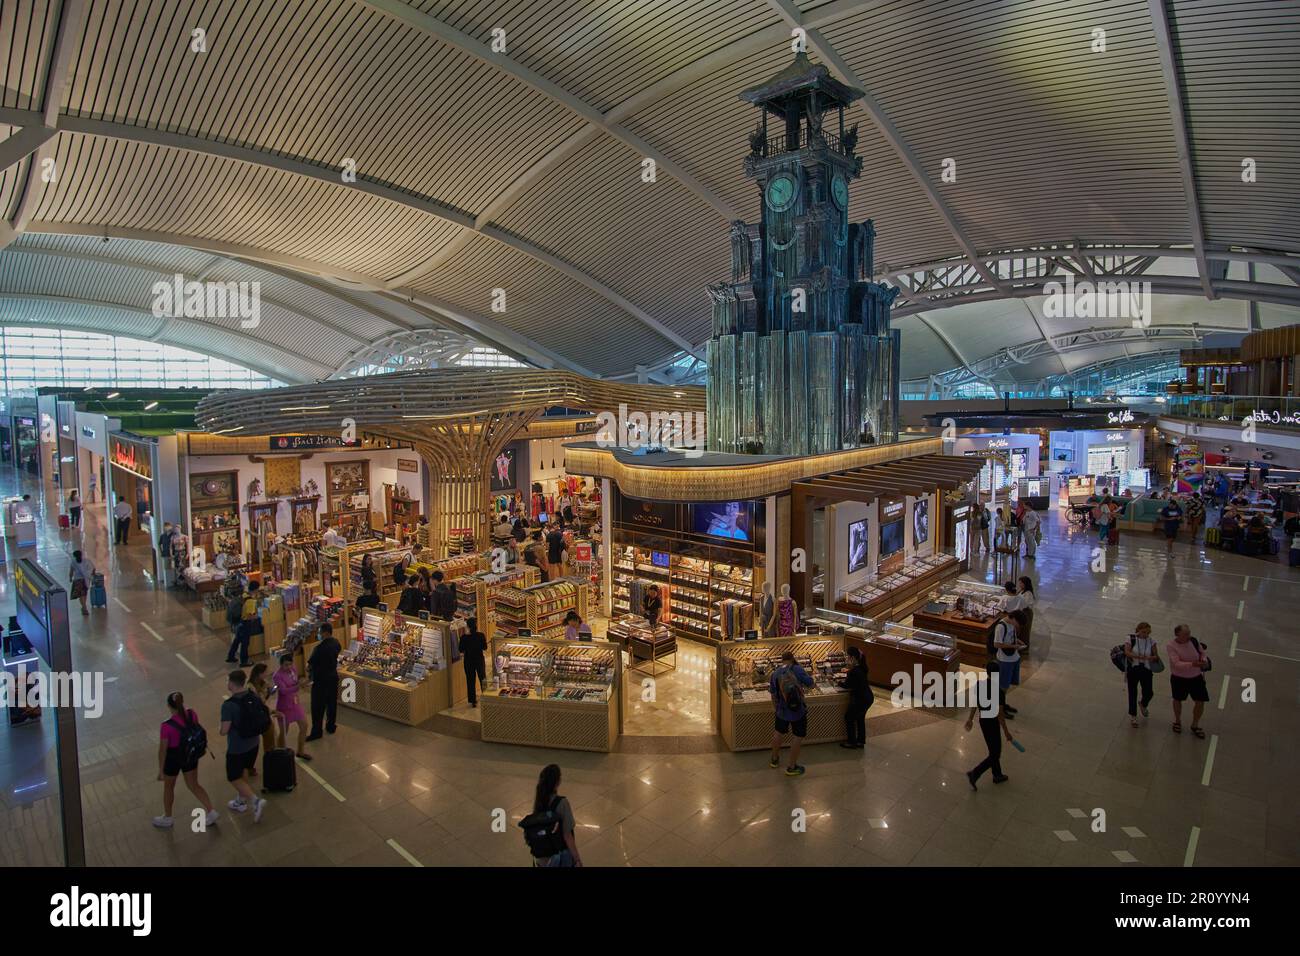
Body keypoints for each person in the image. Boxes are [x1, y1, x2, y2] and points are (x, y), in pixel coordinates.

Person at [154, 691, 219, 830]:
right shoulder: (191, 713)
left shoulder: (166, 726)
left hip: (173, 759)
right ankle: (211, 811)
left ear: (168, 705)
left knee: (169, 787)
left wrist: (161, 770)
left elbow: (163, 750)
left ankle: (168, 817)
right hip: (190, 754)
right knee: (194, 784)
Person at [219, 670, 267, 821]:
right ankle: (241, 800)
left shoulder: (229, 705)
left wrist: (220, 729)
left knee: (233, 776)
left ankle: (255, 800)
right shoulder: (253, 695)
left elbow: (224, 730)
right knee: (244, 770)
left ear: (232, 684)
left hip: (237, 747)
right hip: (254, 743)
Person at [965, 661, 1013, 789]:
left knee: (994, 750)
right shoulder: (999, 691)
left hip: (983, 721)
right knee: (995, 753)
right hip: (992, 723)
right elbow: (1000, 714)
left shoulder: (979, 685)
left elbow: (975, 702)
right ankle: (975, 773)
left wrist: (970, 719)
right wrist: (1006, 732)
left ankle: (997, 774)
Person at [768, 650, 815, 776]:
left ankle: (774, 759)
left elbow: (772, 694)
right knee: (797, 736)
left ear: (782, 660)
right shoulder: (798, 669)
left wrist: (776, 708)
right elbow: (811, 684)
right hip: (798, 710)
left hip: (782, 710)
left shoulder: (776, 673)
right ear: (793, 659)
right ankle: (791, 766)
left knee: (778, 732)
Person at [530, 764, 581, 867]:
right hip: (558, 858)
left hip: (541, 858)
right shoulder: (562, 803)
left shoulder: (539, 801)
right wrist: (577, 859)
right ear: (557, 782)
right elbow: (567, 836)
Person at [1166, 624, 1209, 738]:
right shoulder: (1171, 645)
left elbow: (1202, 652)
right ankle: (1177, 720)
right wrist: (1193, 664)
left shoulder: (1193, 641)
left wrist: (1203, 660)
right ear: (1177, 635)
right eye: (1185, 634)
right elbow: (1176, 663)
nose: (1188, 636)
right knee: (1177, 699)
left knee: (1200, 701)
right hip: (1179, 678)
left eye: (1189, 633)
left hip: (1196, 677)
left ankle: (1195, 724)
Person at [306, 622, 341, 740]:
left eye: (320, 632)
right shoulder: (336, 643)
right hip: (333, 677)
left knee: (317, 707)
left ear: (325, 633)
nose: (318, 634)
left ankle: (317, 731)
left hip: (320, 681)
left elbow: (310, 664)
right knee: (332, 704)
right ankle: (331, 726)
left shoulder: (319, 648)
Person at [272, 654, 311, 760]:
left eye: (290, 664)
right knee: (284, 731)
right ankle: (280, 753)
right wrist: (298, 686)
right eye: (286, 665)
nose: (288, 667)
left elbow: (295, 681)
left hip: (295, 702)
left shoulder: (293, 669)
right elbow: (283, 691)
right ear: (281, 665)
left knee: (304, 725)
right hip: (284, 706)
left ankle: (300, 751)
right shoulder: (277, 676)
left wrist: (300, 683)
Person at [1123, 622, 1159, 729]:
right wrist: (1139, 657)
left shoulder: (1152, 641)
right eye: (1144, 632)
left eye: (1148, 632)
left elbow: (1156, 655)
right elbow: (1127, 652)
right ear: (1138, 630)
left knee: (1149, 692)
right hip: (1134, 669)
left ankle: (1143, 703)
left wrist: (1153, 657)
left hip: (1146, 669)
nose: (1146, 634)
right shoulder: (1130, 638)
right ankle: (1133, 715)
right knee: (1132, 692)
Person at [993, 609, 1026, 717]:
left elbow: (1011, 637)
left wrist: (1018, 642)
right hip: (1004, 660)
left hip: (1013, 657)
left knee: (1006, 685)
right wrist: (1013, 646)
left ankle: (1003, 704)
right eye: (1018, 623)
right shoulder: (1001, 626)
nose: (1018, 626)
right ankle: (999, 708)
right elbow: (997, 644)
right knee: (1002, 685)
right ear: (1014, 618)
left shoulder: (1012, 624)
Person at [838, 645, 871, 749]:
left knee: (849, 717)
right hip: (868, 697)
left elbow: (847, 685)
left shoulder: (853, 671)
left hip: (859, 699)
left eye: (848, 657)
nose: (847, 659)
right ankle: (861, 741)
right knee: (860, 719)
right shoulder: (862, 668)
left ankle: (851, 742)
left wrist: (838, 682)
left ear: (852, 658)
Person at [225, 580, 261, 667]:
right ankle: (244, 661)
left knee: (237, 640)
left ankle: (231, 656)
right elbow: (249, 616)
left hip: (238, 622)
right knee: (245, 643)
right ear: (256, 589)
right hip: (245, 623)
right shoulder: (251, 601)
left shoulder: (244, 595)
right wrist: (258, 615)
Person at [459, 617, 488, 707]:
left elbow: (461, 649)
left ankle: (473, 701)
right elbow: (485, 647)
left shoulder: (464, 637)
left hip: (468, 661)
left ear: (467, 626)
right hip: (479, 659)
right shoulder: (481, 635)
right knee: (482, 678)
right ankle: (486, 696)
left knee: (470, 680)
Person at [68, 550, 95, 616]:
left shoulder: (73, 562)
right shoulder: (86, 561)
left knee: (80, 595)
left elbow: (71, 572)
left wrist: (70, 578)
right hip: (84, 580)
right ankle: (84, 607)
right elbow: (93, 568)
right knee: (84, 594)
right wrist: (92, 575)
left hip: (77, 581)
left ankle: (84, 607)